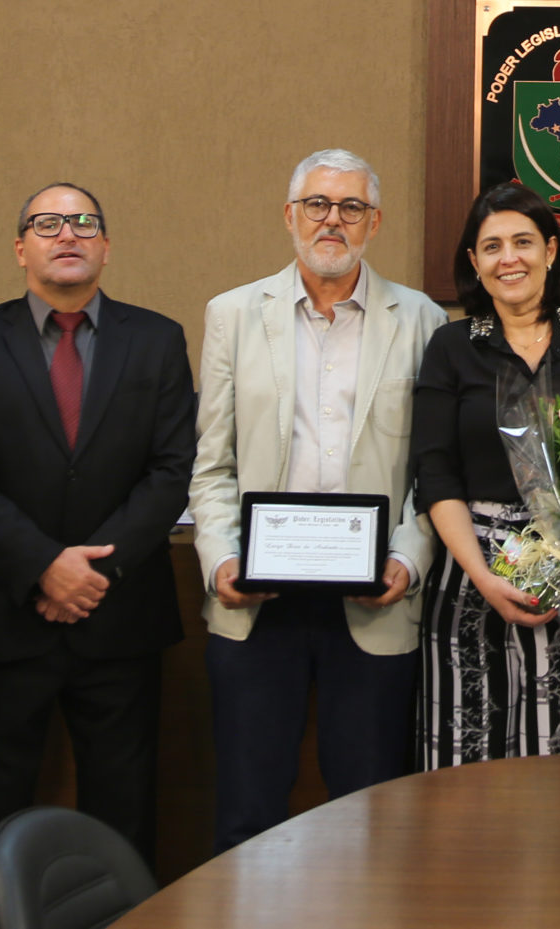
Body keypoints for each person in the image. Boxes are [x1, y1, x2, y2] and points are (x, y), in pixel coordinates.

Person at [0, 184, 194, 926]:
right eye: (47, 223)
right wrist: (44, 564)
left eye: (85, 222)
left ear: (106, 246)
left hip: (119, 623)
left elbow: (172, 471)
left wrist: (93, 573)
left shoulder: (157, 338)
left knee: (123, 811)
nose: (67, 233)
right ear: (21, 248)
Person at [188, 151, 445, 850]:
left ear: (375, 221)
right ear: (289, 215)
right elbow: (212, 466)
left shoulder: (421, 319)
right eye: (317, 204)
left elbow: (435, 469)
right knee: (248, 810)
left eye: (351, 207)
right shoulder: (234, 315)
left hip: (374, 600)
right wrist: (219, 561)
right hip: (254, 601)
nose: (333, 219)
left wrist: (408, 557)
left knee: (369, 815)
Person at [412, 181, 560, 767]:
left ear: (552, 251)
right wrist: (484, 578)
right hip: (473, 575)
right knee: (468, 768)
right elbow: (434, 473)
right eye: (491, 247)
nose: (508, 258)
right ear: (474, 263)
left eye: (523, 242)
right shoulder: (451, 348)